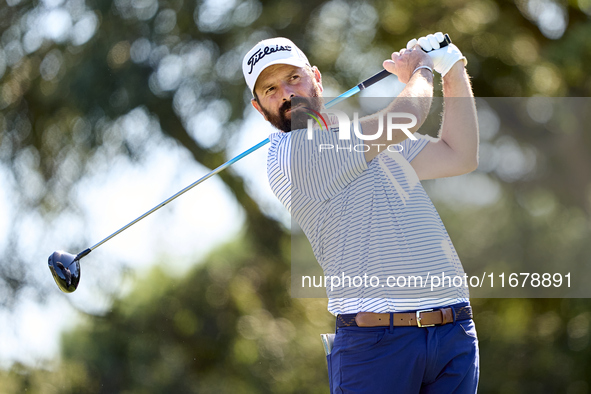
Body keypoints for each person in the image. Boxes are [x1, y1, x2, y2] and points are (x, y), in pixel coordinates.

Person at [242, 34, 479, 393]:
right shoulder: (294, 154)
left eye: (294, 78)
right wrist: (423, 66)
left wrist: (453, 69)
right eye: (271, 89)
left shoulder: (358, 136)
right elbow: (407, 115)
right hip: (376, 346)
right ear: (259, 108)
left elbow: (459, 154)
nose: (287, 94)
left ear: (316, 78)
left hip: (453, 332)